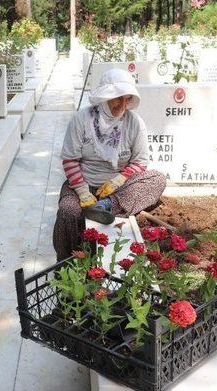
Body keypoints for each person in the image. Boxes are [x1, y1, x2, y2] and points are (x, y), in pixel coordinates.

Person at [53, 69, 166, 260]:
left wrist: (119, 180)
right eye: (117, 98)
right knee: (68, 212)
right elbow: (70, 160)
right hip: (82, 184)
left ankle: (105, 206)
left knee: (157, 179)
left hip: (118, 189)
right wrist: (82, 192)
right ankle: (67, 262)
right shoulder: (82, 119)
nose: (123, 105)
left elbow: (140, 161)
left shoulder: (135, 123)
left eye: (127, 99)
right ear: (105, 97)